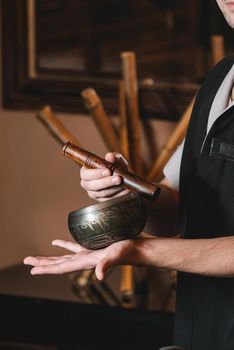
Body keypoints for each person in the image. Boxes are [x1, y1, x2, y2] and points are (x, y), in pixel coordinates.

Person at [24, 1, 234, 349]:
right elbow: (177, 209)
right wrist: (123, 193)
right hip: (198, 331)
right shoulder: (219, 80)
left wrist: (140, 251)